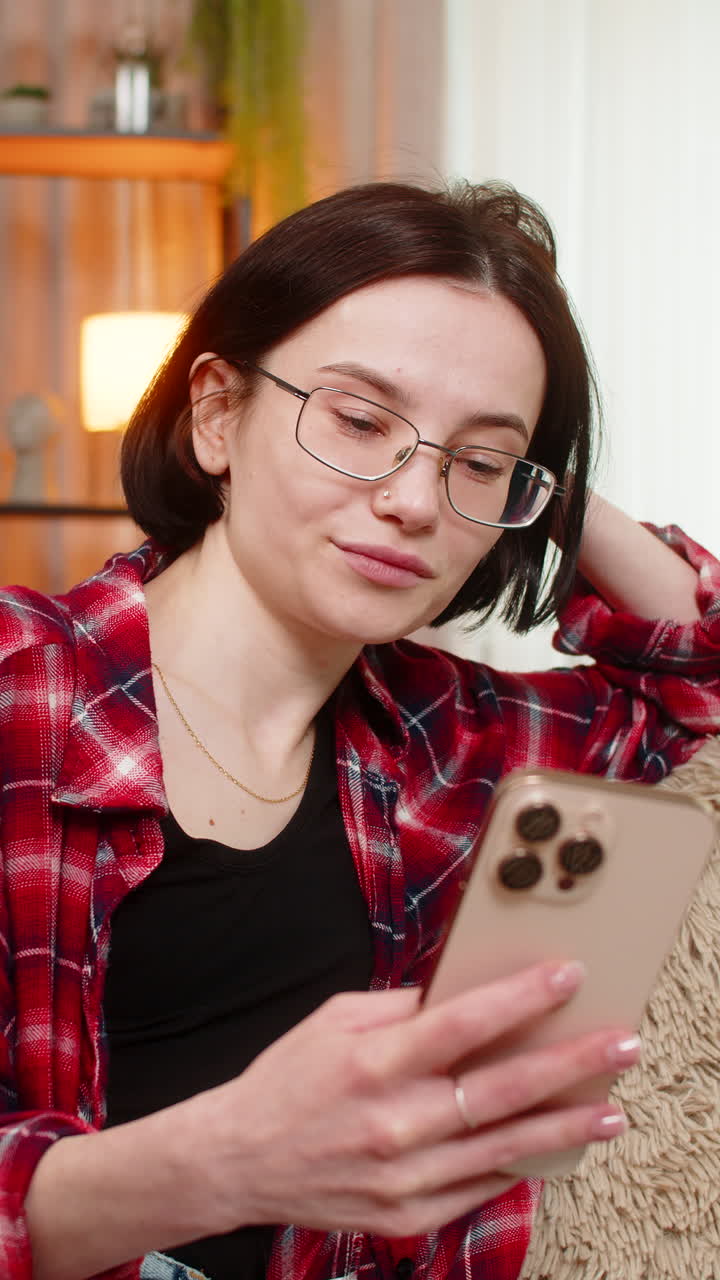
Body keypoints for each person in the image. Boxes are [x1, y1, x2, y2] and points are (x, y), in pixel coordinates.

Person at [1, 179, 718, 1280]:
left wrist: (544, 490)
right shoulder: (21, 689)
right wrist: (227, 1158)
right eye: (360, 419)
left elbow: (697, 693)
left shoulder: (459, 737)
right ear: (217, 412)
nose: (415, 501)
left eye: (478, 464)